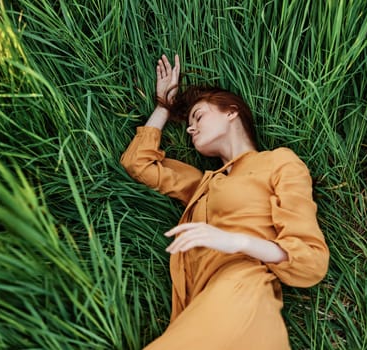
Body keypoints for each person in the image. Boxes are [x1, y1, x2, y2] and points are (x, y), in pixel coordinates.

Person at [120, 54, 330, 349]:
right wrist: (163, 106)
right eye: (189, 123)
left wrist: (236, 242)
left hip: (244, 289)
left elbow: (311, 262)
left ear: (231, 112)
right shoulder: (203, 185)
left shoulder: (279, 162)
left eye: (199, 116)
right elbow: (138, 163)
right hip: (200, 304)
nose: (191, 129)